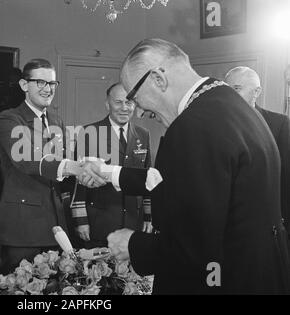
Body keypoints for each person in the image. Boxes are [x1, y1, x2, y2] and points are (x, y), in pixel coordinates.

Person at [82, 39, 290, 294]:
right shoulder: (229, 105)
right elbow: (188, 183)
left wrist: (133, 244)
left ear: (158, 79)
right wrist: (109, 172)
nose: (138, 112)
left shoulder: (193, 128)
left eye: (135, 97)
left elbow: (196, 247)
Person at [0, 58, 93, 272]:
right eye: (41, 82)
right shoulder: (9, 119)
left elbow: (64, 162)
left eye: (52, 84)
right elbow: (27, 159)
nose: (48, 89)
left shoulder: (56, 121)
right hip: (23, 228)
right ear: (23, 85)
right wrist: (73, 167)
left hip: (56, 224)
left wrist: (87, 168)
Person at [70, 82, 152, 248]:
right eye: (118, 102)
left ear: (135, 104)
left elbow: (147, 179)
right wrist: (81, 220)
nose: (124, 108)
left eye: (129, 102)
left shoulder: (143, 135)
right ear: (108, 104)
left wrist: (148, 216)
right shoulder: (89, 133)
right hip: (100, 221)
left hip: (132, 221)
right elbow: (78, 181)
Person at [225, 66, 290, 237]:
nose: (229, 94)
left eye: (236, 88)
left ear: (256, 92)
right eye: (227, 89)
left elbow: (286, 175)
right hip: (231, 223)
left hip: (268, 224)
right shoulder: (220, 125)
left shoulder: (279, 124)